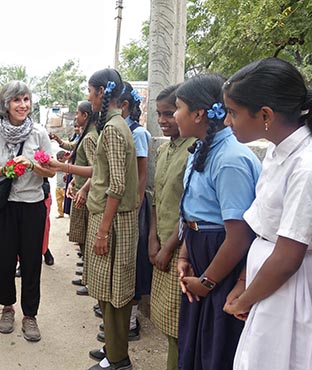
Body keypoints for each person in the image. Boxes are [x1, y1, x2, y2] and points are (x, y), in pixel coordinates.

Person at [221, 58, 312, 370]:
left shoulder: (309, 168)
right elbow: (265, 229)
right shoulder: (278, 150)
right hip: (268, 281)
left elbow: (287, 256)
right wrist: (246, 281)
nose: (227, 121)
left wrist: (245, 300)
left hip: (292, 287)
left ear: (265, 115)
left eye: (232, 112)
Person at [48, 68, 140, 370]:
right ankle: (113, 351)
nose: (88, 97)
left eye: (90, 91)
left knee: (115, 292)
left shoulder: (113, 129)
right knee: (107, 290)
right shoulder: (113, 125)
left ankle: (118, 359)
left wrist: (101, 232)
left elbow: (116, 184)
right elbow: (104, 174)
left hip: (113, 220)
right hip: (109, 217)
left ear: (102, 93)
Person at [174, 74, 261, 370]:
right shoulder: (201, 148)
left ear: (199, 114)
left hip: (222, 258)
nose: (174, 116)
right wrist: (185, 253)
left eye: (178, 108)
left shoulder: (230, 159)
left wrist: (208, 281)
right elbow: (192, 211)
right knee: (196, 340)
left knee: (218, 343)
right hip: (200, 252)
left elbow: (239, 236)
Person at [0, 80, 54, 342]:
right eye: (16, 100)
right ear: (6, 104)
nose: (23, 105)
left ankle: (30, 315)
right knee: (5, 261)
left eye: (26, 100)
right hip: (4, 208)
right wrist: (7, 169)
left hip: (33, 206)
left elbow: (51, 170)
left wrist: (32, 166)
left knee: (32, 262)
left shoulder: (39, 133)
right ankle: (7, 308)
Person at [147, 84, 193, 370]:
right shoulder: (164, 150)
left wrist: (167, 248)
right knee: (165, 320)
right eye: (159, 114)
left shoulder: (194, 150)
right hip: (161, 243)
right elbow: (157, 198)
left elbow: (190, 210)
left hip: (180, 248)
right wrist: (152, 238)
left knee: (179, 327)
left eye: (170, 113)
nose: (164, 120)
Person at [118, 81, 152, 340]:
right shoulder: (119, 129)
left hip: (134, 206)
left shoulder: (137, 133)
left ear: (125, 105)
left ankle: (131, 321)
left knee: (135, 258)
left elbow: (141, 174)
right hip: (122, 203)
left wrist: (137, 204)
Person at [67, 102, 98, 289]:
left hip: (85, 194)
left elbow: (97, 170)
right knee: (82, 237)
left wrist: (84, 189)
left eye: (78, 113)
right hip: (80, 190)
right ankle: (87, 274)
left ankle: (89, 278)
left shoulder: (89, 139)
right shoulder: (86, 136)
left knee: (86, 237)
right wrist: (73, 182)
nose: (76, 117)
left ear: (85, 116)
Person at [54, 150, 67, 219]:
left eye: (61, 158)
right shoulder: (56, 165)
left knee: (66, 201)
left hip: (64, 188)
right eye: (58, 158)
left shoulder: (66, 166)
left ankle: (68, 212)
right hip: (58, 187)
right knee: (59, 202)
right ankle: (60, 213)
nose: (59, 160)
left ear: (65, 158)